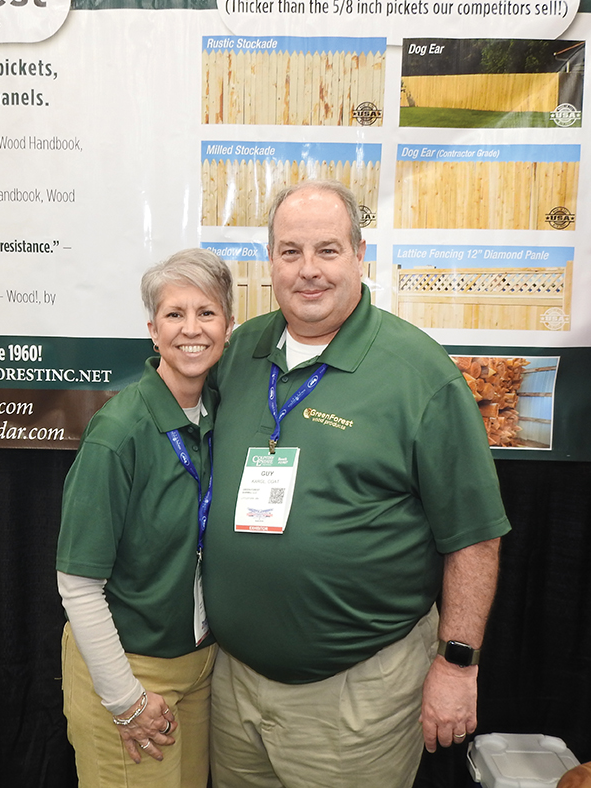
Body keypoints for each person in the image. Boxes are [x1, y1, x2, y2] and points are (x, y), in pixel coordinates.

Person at [203, 180, 511, 788]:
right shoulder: (238, 354)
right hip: (233, 688)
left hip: (356, 701)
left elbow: (475, 539)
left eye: (327, 250)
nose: (308, 270)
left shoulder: (419, 375)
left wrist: (457, 666)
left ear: (360, 256)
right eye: (290, 252)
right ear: (270, 262)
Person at [57, 248, 235, 788]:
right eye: (174, 314)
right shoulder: (119, 433)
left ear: (229, 326)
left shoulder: (222, 416)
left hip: (200, 666)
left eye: (207, 312)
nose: (192, 329)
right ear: (153, 330)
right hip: (130, 672)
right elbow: (78, 585)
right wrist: (125, 700)